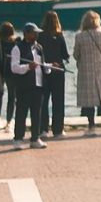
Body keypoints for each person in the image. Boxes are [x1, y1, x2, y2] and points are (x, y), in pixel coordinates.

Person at [73, 11, 101, 135]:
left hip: (86, 73)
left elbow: (76, 55)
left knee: (89, 102)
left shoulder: (79, 36)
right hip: (100, 71)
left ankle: (92, 127)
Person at [6, 25, 46, 148]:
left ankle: (35, 138)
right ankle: (18, 139)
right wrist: (28, 67)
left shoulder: (39, 47)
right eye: (34, 33)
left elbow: (42, 64)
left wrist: (49, 67)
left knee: (36, 113)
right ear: (27, 34)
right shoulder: (17, 48)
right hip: (24, 86)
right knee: (21, 113)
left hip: (38, 85)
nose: (36, 35)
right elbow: (14, 67)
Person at [39, 11, 69, 139]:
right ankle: (58, 129)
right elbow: (65, 54)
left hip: (43, 70)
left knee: (43, 101)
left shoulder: (40, 36)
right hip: (58, 70)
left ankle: (43, 129)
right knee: (58, 101)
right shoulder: (59, 35)